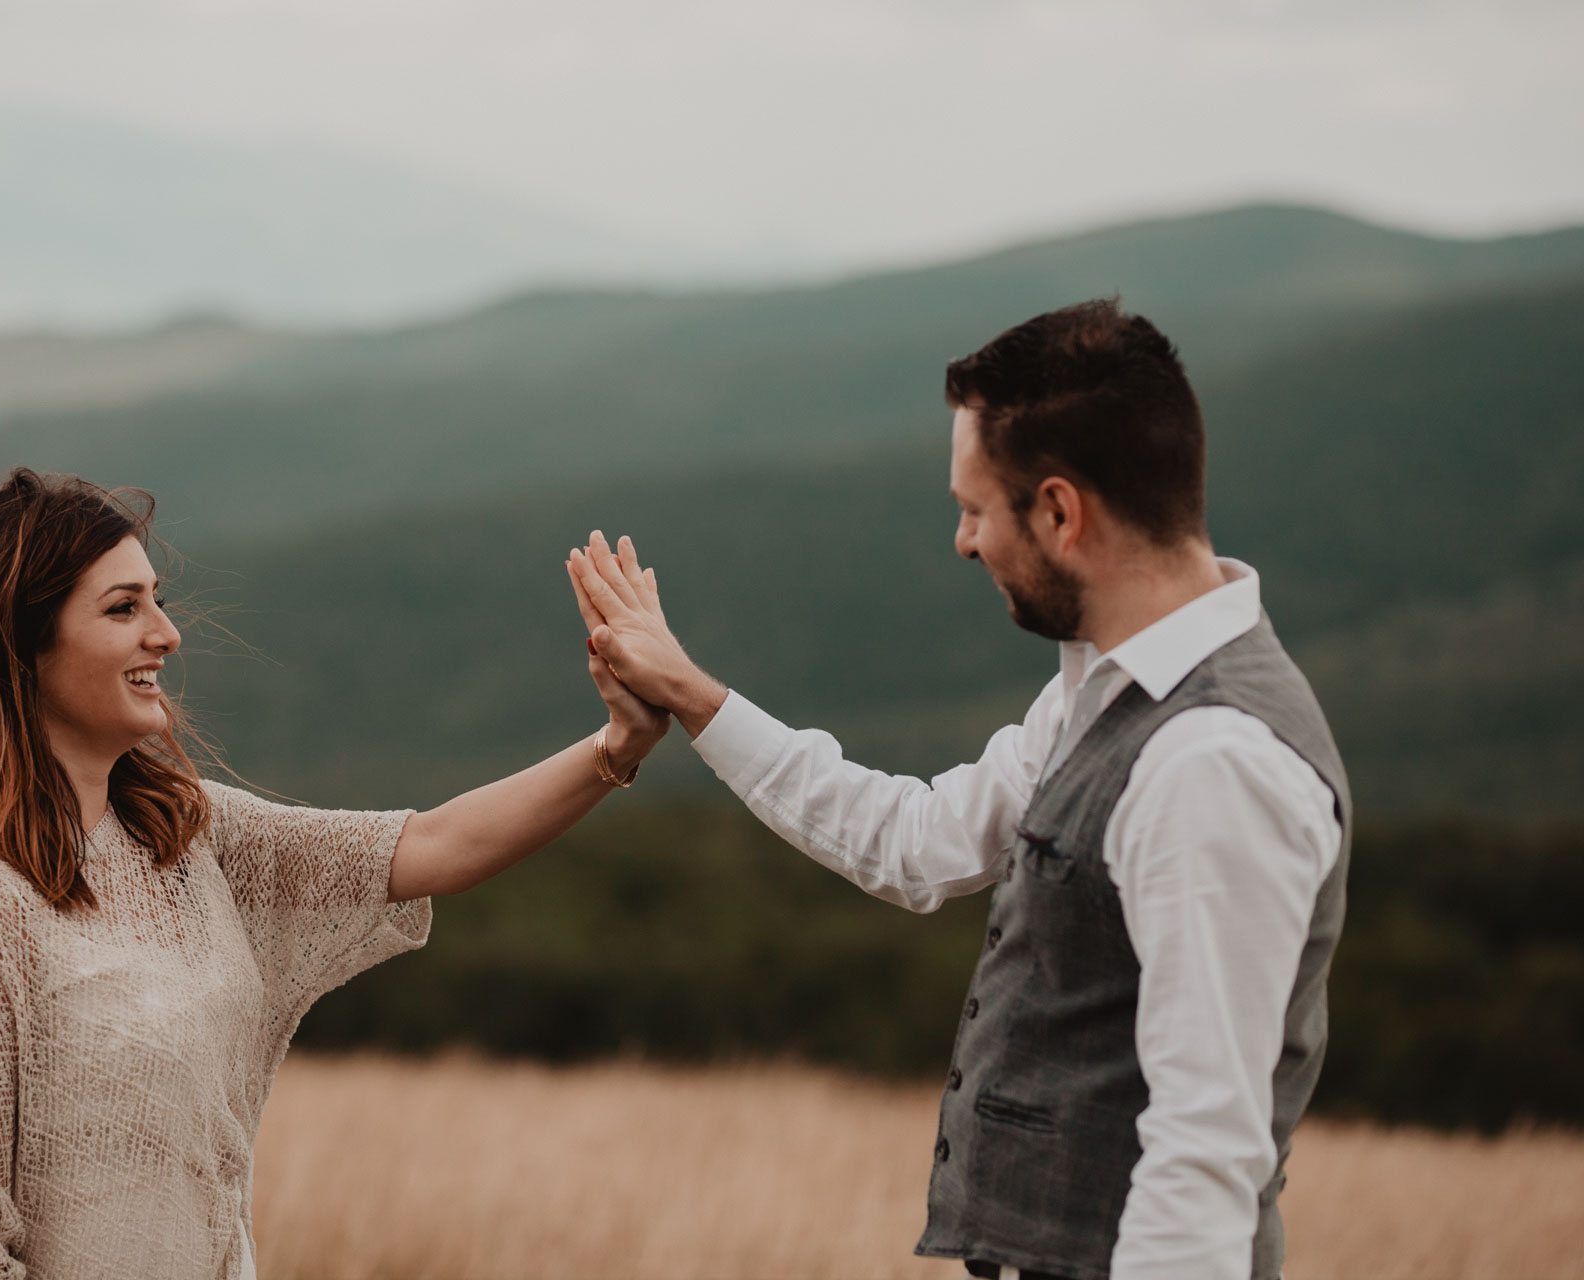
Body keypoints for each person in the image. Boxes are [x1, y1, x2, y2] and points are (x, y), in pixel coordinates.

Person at [566, 299, 1348, 1280]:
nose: (964, 540)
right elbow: (916, 838)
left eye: (975, 507)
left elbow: (1202, 1158)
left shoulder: (1212, 764)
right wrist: (694, 696)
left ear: (1061, 512)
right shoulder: (1100, 691)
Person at [0, 467, 668, 1280]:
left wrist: (620, 744)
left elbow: (432, 846)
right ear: (21, 643)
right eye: (123, 608)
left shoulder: (182, 832)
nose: (166, 633)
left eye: (156, 600)